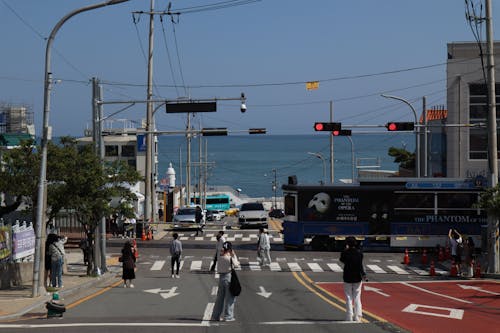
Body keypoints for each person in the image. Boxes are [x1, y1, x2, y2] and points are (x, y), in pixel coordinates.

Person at [210, 241, 240, 322]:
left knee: (220, 298)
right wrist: (234, 255)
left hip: (221, 278)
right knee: (229, 298)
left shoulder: (220, 257)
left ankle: (215, 316)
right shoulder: (229, 258)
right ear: (229, 249)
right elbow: (236, 264)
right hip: (228, 277)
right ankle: (228, 316)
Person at [340, 236, 367, 322]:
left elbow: (342, 260)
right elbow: (360, 265)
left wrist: (346, 249)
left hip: (347, 276)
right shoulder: (359, 253)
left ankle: (349, 316)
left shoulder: (345, 252)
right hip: (357, 277)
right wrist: (363, 275)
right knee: (357, 296)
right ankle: (358, 316)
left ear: (347, 244)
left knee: (348, 297)